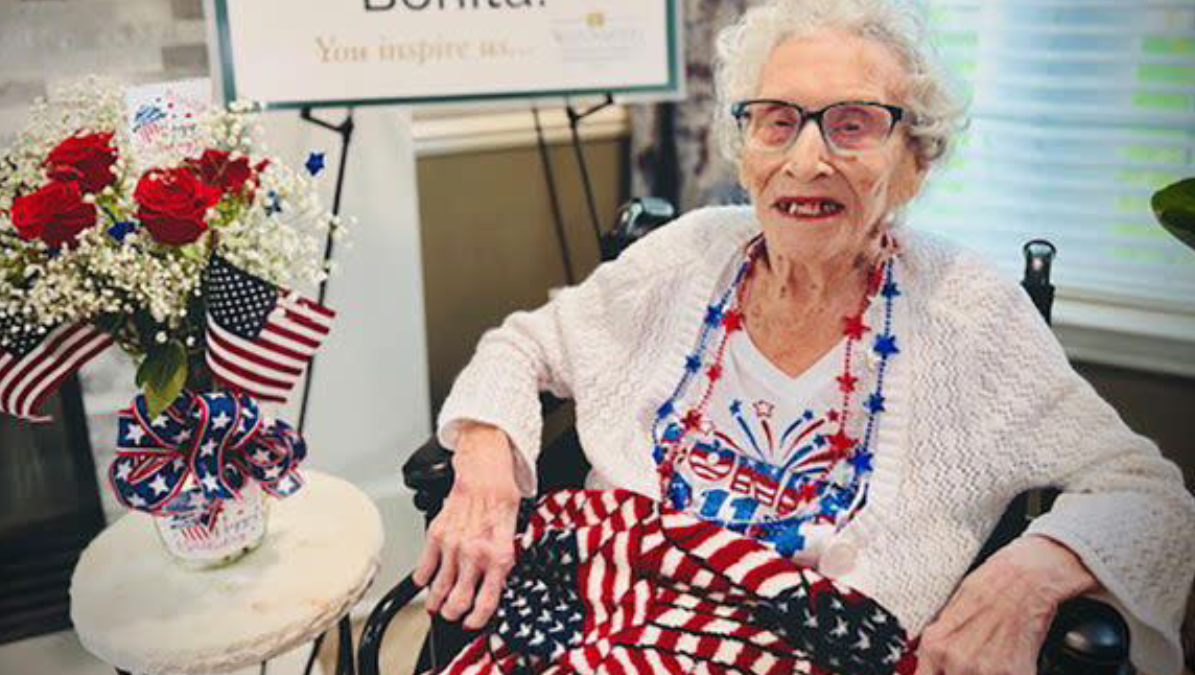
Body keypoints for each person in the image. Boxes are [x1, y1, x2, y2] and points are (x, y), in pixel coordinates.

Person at [413, 1, 1195, 673]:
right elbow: (522, 344)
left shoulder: (968, 313)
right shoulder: (687, 254)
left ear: (915, 161)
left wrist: (1027, 573)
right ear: (746, 148)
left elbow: (1147, 491)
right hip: (600, 614)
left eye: (852, 125)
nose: (807, 158)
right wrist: (484, 455)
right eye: (778, 121)